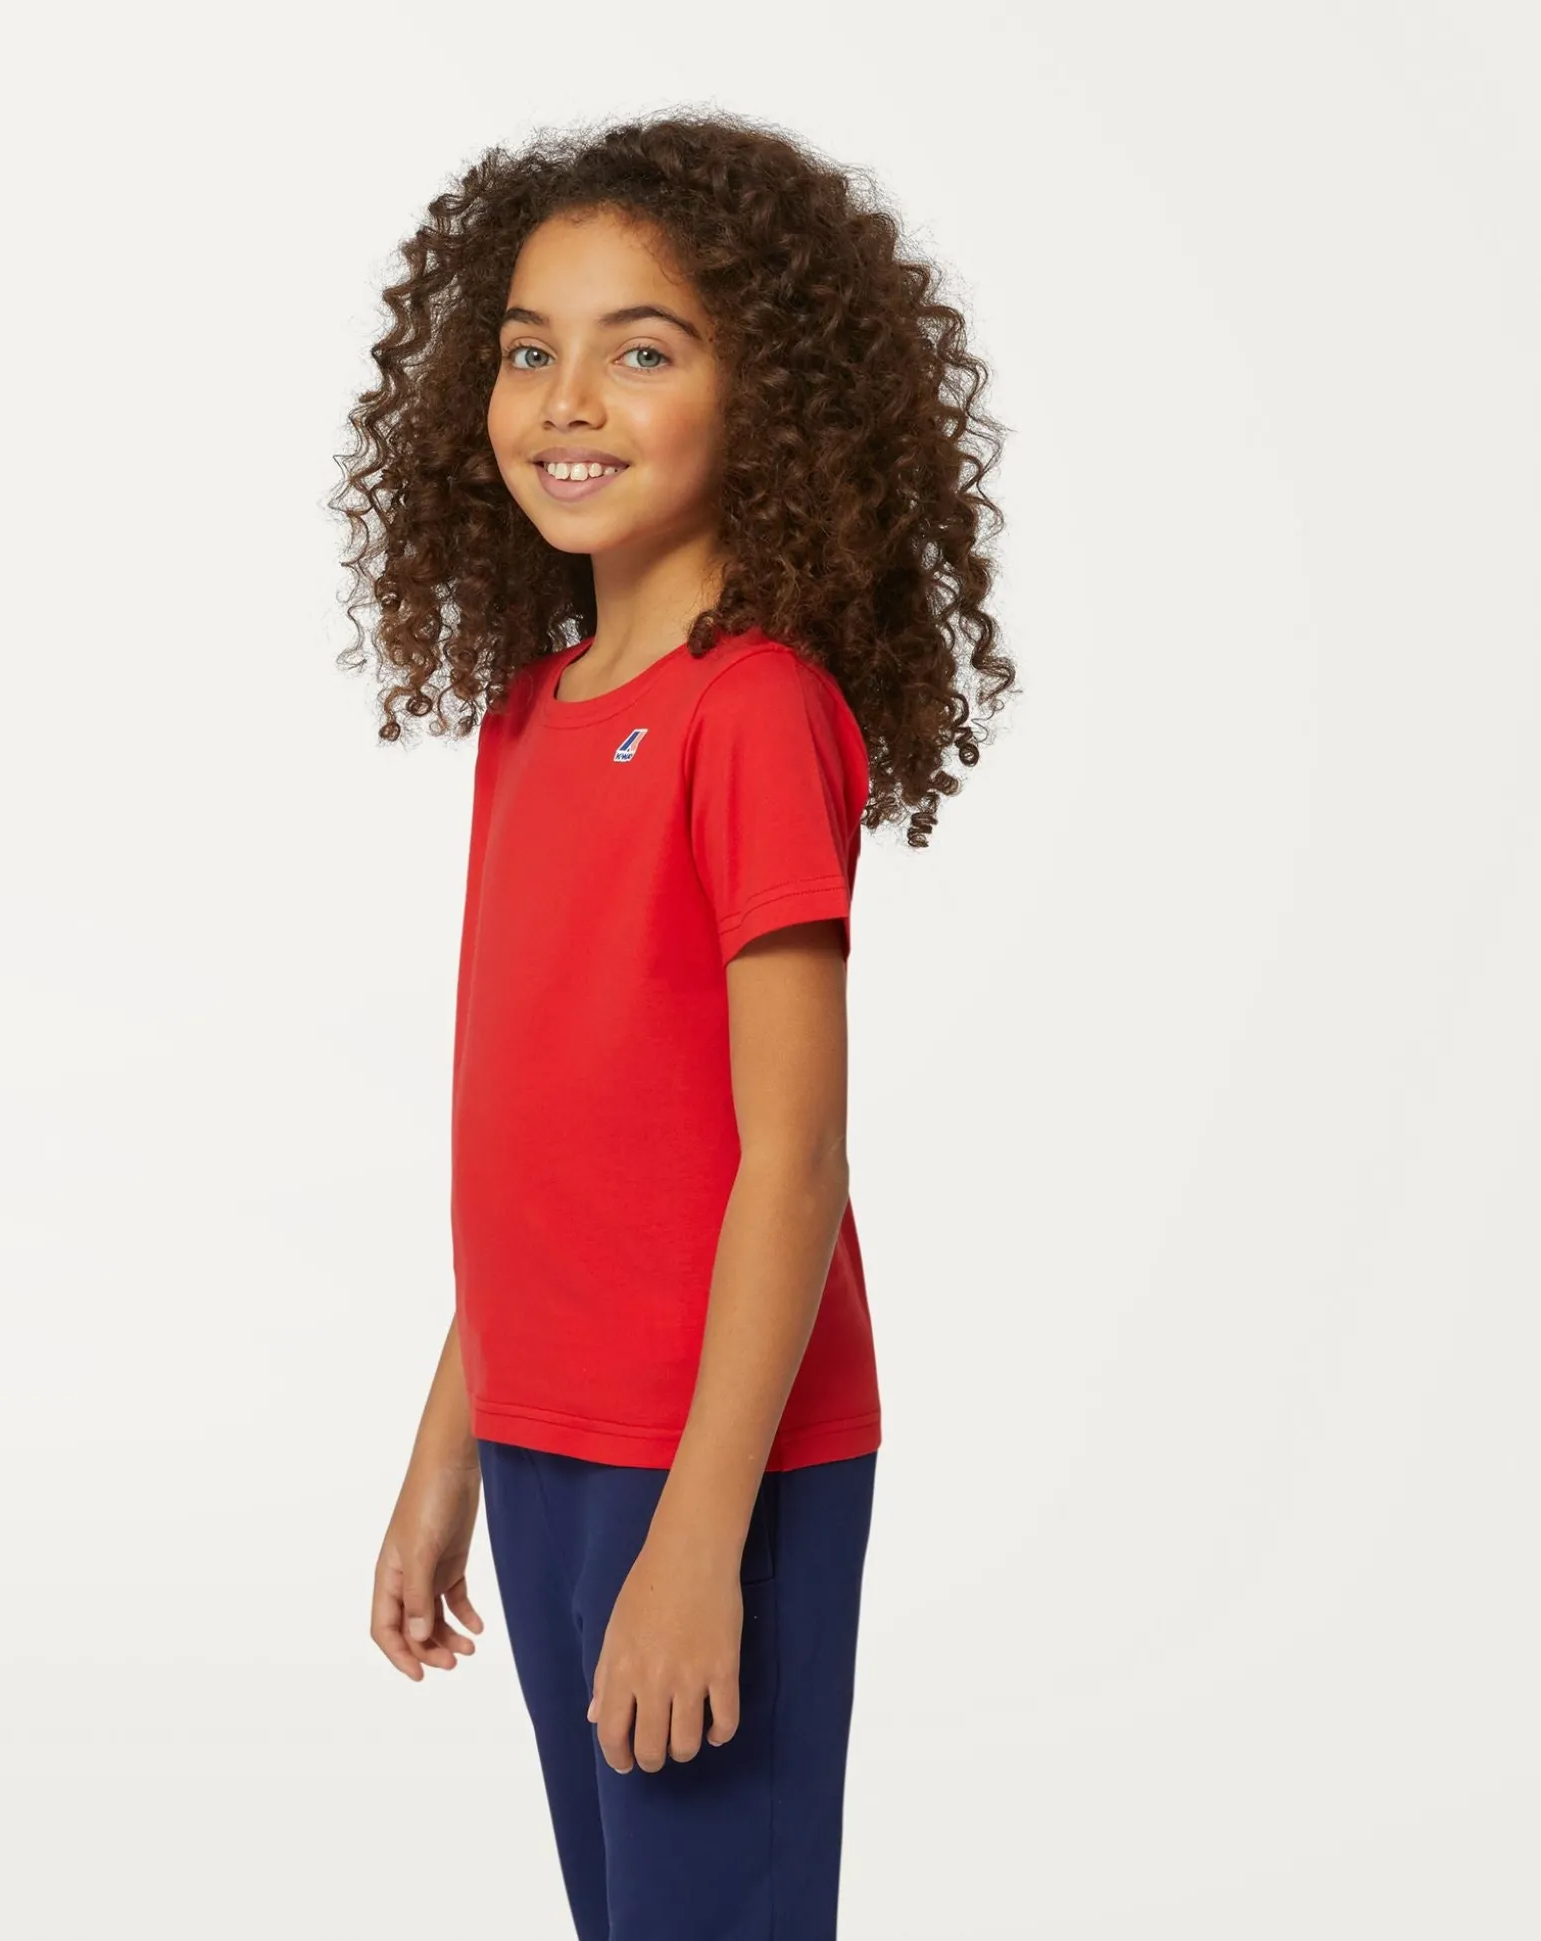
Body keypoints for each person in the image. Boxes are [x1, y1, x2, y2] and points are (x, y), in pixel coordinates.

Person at [335, 111, 1013, 1941]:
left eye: (642, 352)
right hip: (548, 1445)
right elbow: (554, 1146)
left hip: (720, 1456)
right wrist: (444, 1455)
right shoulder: (531, 719)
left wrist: (701, 1540)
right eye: (528, 350)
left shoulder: (752, 713)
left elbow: (794, 1156)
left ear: (766, 397)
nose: (569, 400)